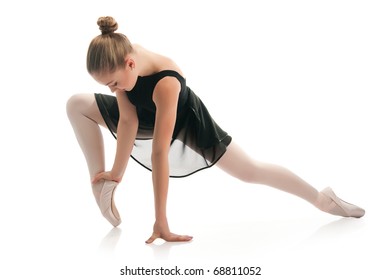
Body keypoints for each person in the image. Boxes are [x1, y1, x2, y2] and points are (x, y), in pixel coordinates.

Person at [66, 16, 365, 244]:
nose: (113, 89)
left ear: (130, 63)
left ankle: (321, 199)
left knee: (249, 170)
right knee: (76, 104)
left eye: (114, 83)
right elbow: (129, 120)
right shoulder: (121, 60)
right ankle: (101, 186)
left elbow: (160, 153)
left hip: (187, 121)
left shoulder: (166, 82)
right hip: (145, 114)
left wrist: (161, 221)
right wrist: (116, 174)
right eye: (107, 86)